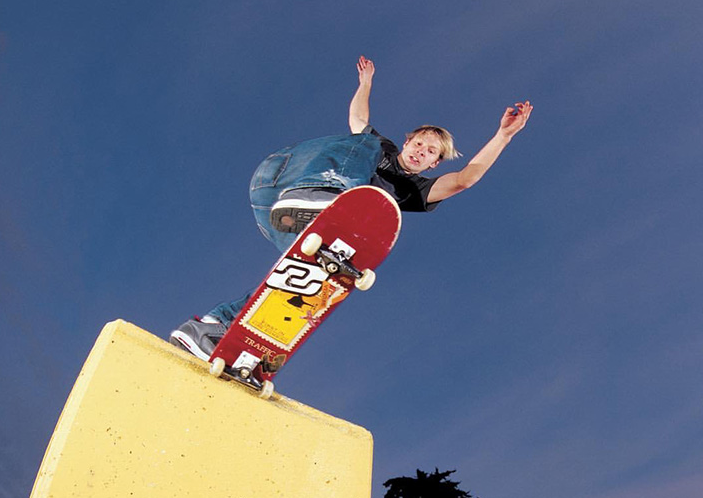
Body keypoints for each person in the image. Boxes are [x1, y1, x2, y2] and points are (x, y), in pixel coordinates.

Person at [170, 55, 533, 360]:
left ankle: (212, 329)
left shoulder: (416, 190)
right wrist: (366, 84)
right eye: (419, 143)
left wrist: (503, 136)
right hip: (282, 182)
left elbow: (465, 179)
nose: (420, 151)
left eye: (429, 153)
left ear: (433, 165)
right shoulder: (380, 147)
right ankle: (323, 193)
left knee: (307, 280)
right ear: (408, 141)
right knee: (366, 142)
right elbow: (359, 121)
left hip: (289, 224)